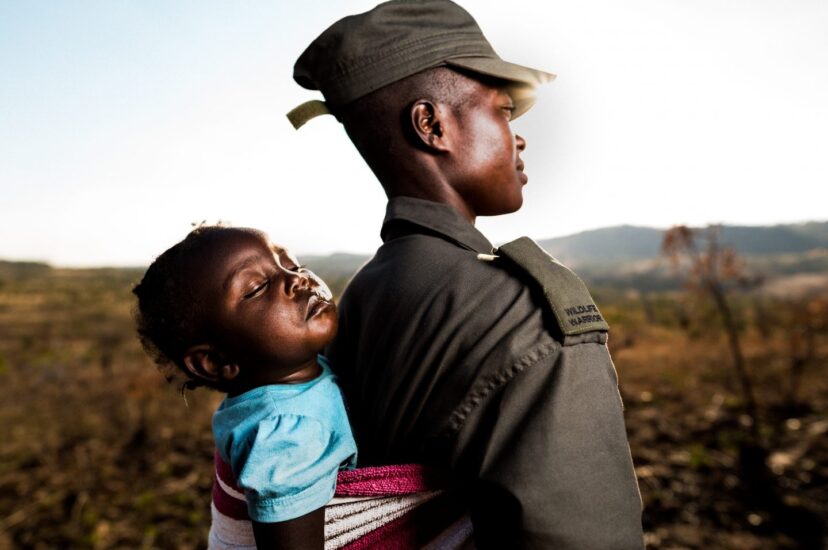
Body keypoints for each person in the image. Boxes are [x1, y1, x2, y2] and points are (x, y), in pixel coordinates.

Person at [289, 0, 645, 548]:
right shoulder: (515, 311)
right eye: (502, 112)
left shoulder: (360, 294)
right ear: (431, 125)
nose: (518, 137)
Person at [132, 225, 357, 550]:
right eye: (256, 288)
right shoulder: (284, 436)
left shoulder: (290, 374)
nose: (297, 279)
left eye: (290, 264)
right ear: (215, 361)